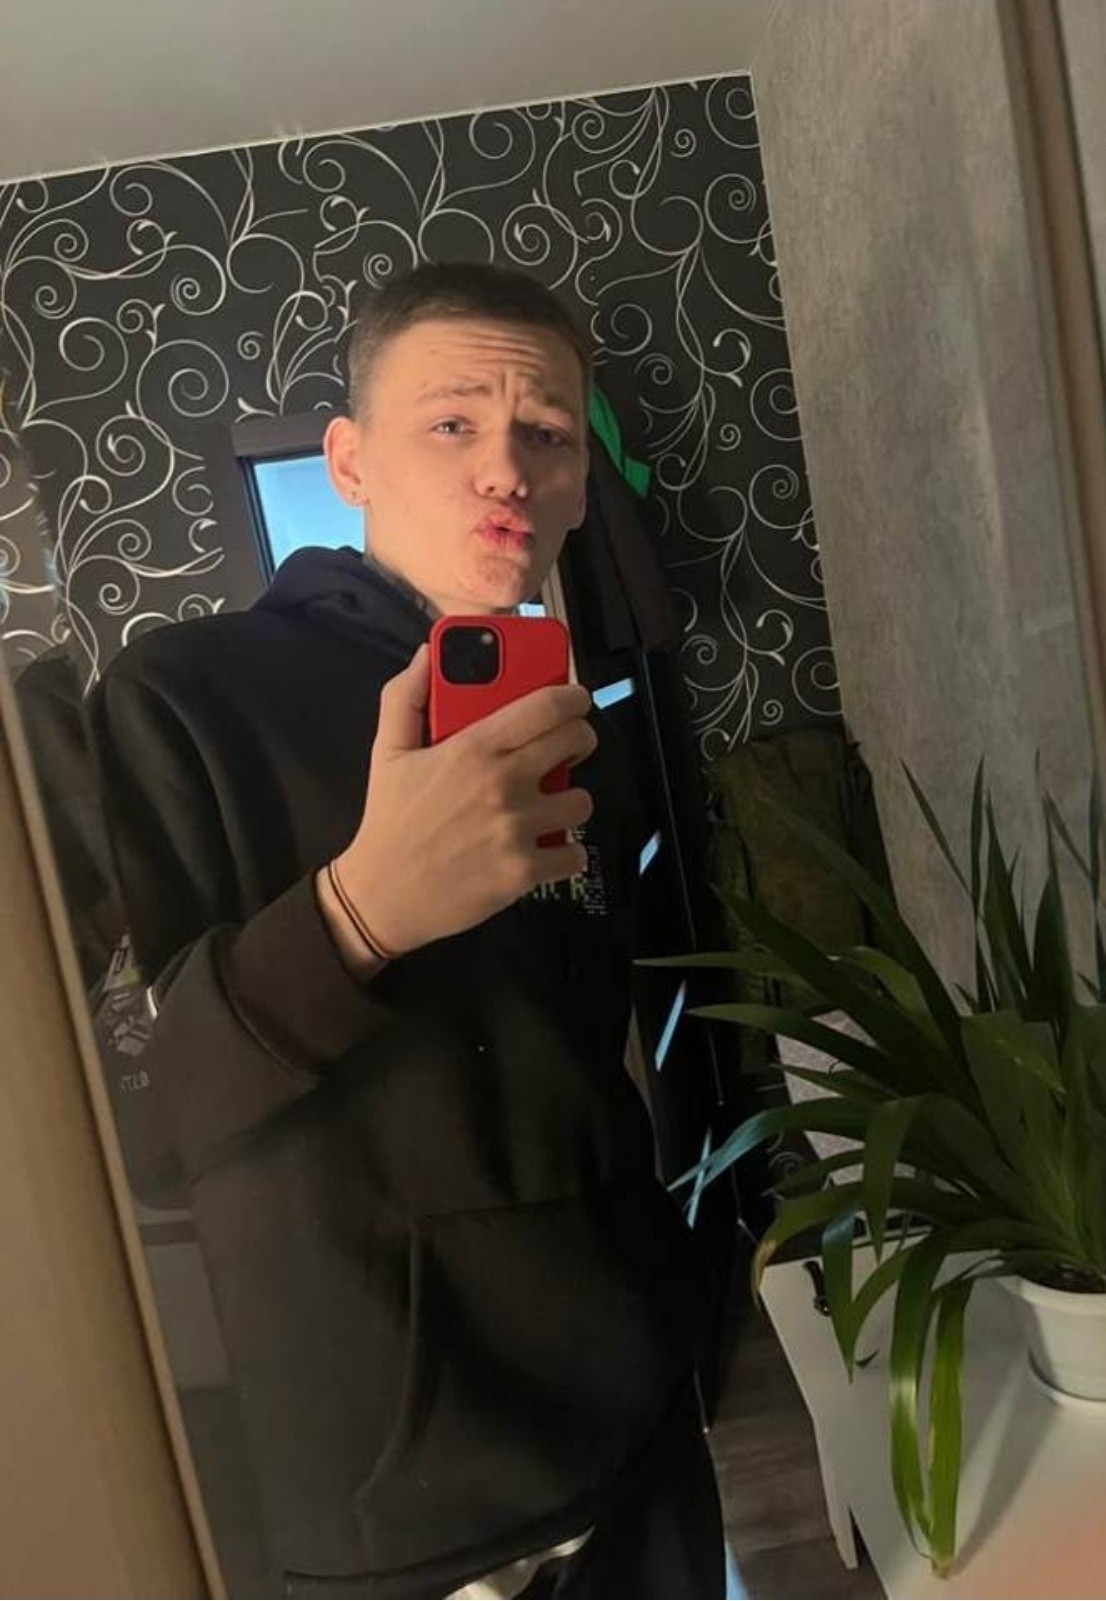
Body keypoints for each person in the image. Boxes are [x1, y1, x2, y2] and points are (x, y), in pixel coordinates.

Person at [89, 261, 725, 1599]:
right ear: (350, 460)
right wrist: (361, 911)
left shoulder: (574, 724)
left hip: (643, 1437)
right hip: (408, 1503)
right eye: (451, 422)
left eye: (546, 433)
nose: (507, 468)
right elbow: (133, 1116)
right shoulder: (182, 699)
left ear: (579, 482)